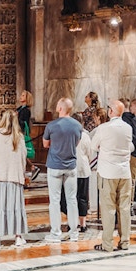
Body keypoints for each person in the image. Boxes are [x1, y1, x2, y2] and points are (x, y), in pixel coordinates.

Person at [91, 99, 134, 252]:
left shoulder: (103, 128)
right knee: (124, 208)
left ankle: (107, 244)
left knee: (108, 209)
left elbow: (93, 146)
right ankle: (125, 242)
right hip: (124, 173)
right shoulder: (128, 128)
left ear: (110, 111)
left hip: (108, 173)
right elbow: (130, 146)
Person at [43, 97, 82, 243]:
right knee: (72, 200)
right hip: (71, 165)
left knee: (55, 200)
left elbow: (45, 144)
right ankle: (74, 233)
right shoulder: (78, 125)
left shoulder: (52, 125)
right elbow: (77, 143)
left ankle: (56, 233)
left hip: (54, 165)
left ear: (60, 108)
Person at [0, 110, 28, 247]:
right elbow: (23, 158)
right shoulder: (19, 137)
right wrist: (22, 173)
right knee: (15, 207)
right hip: (14, 177)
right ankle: (18, 237)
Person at [61, 113, 92, 233]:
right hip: (82, 169)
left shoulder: (66, 134)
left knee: (70, 197)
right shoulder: (85, 136)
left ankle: (71, 223)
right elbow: (89, 153)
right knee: (82, 197)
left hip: (70, 168)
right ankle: (82, 224)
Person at [16, 90, 40, 181]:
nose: (20, 97)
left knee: (21, 152)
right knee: (20, 152)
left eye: (23, 95)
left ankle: (32, 167)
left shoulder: (26, 110)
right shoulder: (19, 109)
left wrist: (16, 117)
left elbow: (22, 123)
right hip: (17, 132)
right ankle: (33, 167)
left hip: (21, 133)